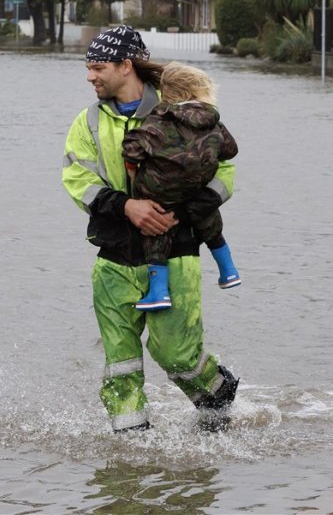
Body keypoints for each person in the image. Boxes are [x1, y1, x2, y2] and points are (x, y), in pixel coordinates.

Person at [61, 25, 240, 433]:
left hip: (175, 252)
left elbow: (225, 171)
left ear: (126, 66)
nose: (90, 76)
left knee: (175, 354)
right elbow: (76, 180)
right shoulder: (86, 122)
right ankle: (129, 455)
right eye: (88, 67)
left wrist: (189, 209)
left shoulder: (185, 110)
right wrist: (127, 207)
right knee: (120, 363)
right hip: (113, 257)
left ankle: (218, 396)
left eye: (97, 66)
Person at [122, 61, 241, 312]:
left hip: (160, 192)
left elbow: (132, 148)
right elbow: (231, 150)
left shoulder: (159, 122)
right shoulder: (214, 123)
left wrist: (133, 172)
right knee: (211, 226)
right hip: (197, 191)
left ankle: (159, 292)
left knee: (156, 235)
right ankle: (228, 271)